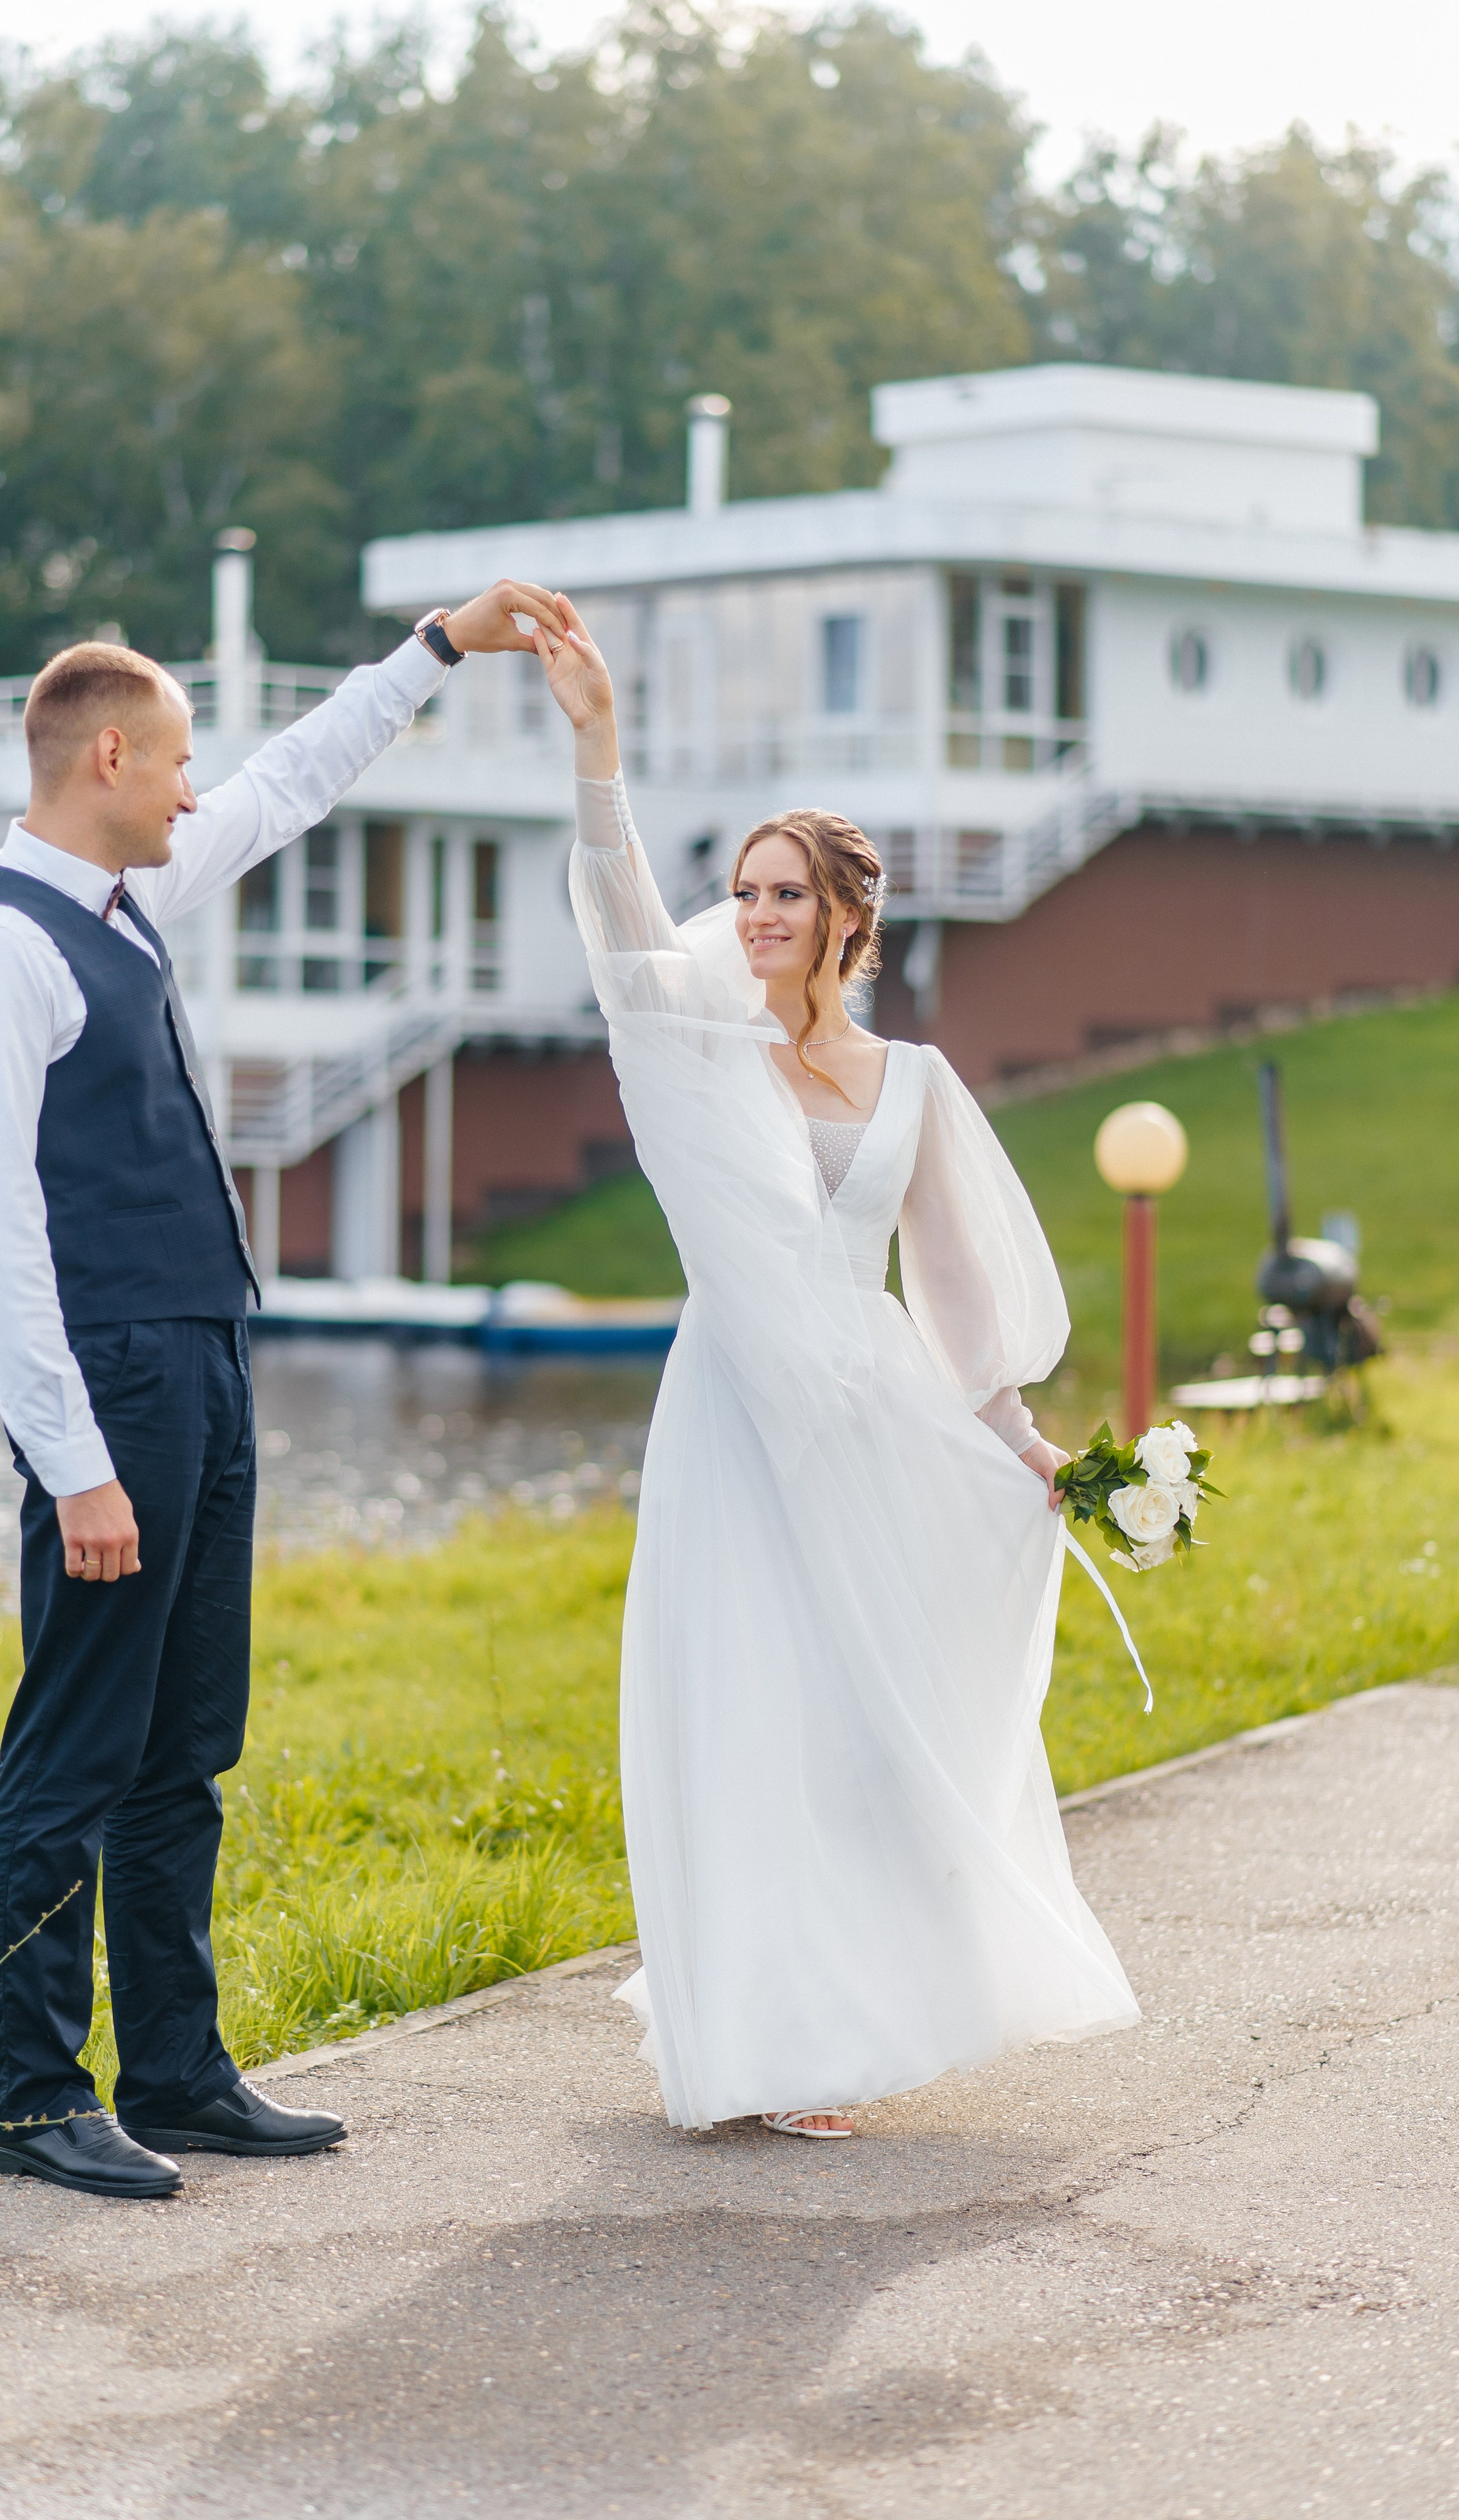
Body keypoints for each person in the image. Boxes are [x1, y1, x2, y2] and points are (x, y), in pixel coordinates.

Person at [0, 582, 566, 2199]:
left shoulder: (126, 898)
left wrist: (433, 649)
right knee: (75, 1745)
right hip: (113, 1379)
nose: (194, 788)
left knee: (186, 1745)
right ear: (110, 756)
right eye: (176, 760)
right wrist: (70, 1460)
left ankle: (178, 2073)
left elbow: (288, 785)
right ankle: (36, 2100)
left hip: (206, 1354)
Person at [531, 597, 1140, 2140]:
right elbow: (617, 918)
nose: (752, 915)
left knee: (855, 1720)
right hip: (731, 1410)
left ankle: (837, 2010)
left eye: (783, 894)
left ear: (844, 921)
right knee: (746, 1708)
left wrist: (1031, 1451)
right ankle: (757, 2036)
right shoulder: (692, 1042)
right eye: (742, 890)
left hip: (864, 1415)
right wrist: (596, 742)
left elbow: (953, 1305)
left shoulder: (911, 1084)